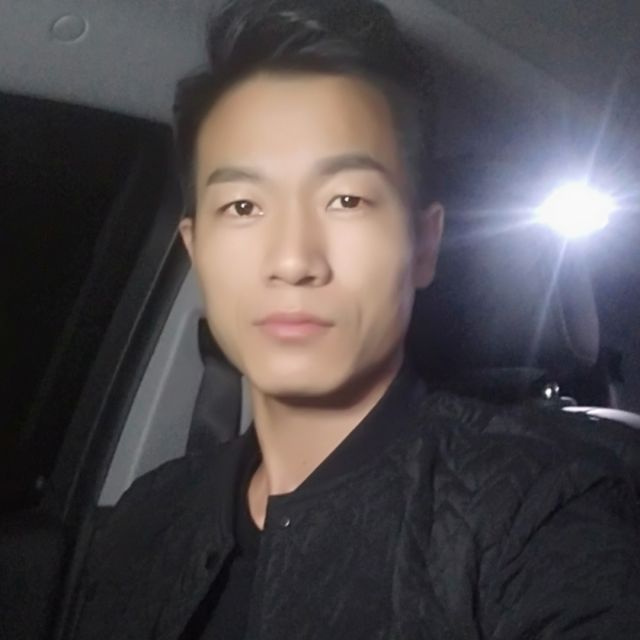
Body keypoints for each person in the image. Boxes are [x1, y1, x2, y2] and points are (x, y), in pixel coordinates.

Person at [72, 0, 640, 638]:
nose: (293, 260)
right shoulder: (144, 515)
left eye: (346, 199)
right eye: (242, 206)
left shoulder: (537, 509)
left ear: (423, 247)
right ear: (196, 249)